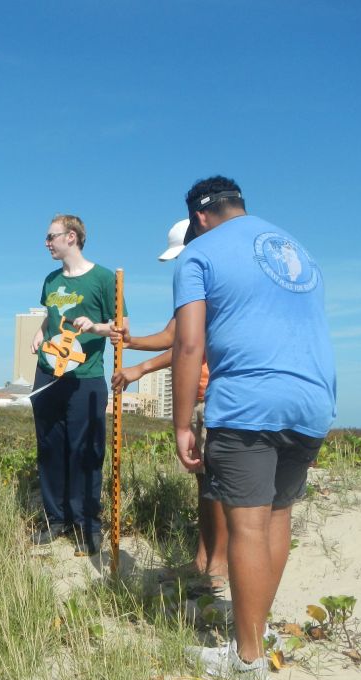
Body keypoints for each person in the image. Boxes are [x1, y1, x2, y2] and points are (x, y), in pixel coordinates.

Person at [172, 176, 336, 680]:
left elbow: (189, 343)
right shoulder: (298, 250)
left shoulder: (198, 254)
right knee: (277, 518)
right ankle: (256, 634)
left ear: (199, 217)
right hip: (313, 400)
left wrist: (181, 423)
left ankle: (246, 660)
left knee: (246, 525)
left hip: (247, 401)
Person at [110, 222, 228, 586]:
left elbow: (186, 345)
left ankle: (218, 567)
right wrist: (131, 343)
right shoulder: (196, 285)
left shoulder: (216, 282)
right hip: (197, 396)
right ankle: (202, 560)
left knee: (217, 486)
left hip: (214, 395)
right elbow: (173, 335)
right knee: (203, 484)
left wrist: (142, 367)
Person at [30, 214, 127, 557]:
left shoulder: (103, 278)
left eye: (50, 236)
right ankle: (55, 519)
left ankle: (87, 523)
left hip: (85, 378)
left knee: (86, 452)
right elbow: (51, 314)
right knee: (50, 448)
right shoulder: (51, 280)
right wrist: (41, 332)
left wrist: (97, 326)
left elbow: (121, 327)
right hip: (48, 374)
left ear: (71, 237)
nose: (46, 242)